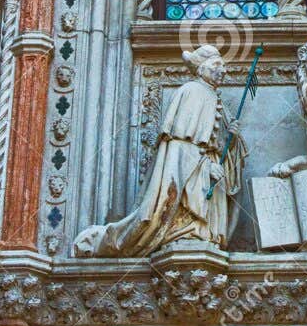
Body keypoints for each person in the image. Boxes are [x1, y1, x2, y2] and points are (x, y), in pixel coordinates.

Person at [73, 45, 247, 256]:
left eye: (224, 66)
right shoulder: (191, 92)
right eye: (217, 64)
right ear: (201, 67)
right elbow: (180, 146)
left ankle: (202, 233)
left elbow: (219, 147)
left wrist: (233, 137)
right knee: (174, 225)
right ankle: (184, 232)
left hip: (207, 174)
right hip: (194, 173)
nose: (224, 70)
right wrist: (205, 167)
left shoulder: (214, 97)